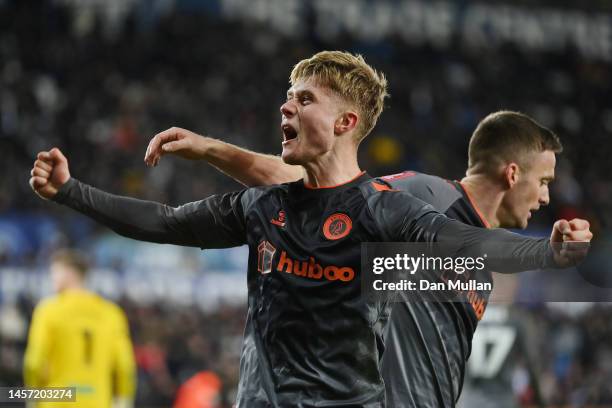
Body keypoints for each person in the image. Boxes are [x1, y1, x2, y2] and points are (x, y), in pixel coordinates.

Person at [29, 51, 590, 407]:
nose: (285, 109)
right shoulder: (417, 198)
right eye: (288, 97)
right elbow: (168, 222)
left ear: (346, 121)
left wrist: (544, 254)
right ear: (511, 172)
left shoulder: (418, 239)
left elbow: (455, 250)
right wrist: (72, 191)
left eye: (304, 99)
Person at [143, 110, 586, 407]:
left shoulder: (477, 259)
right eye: (543, 180)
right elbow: (298, 184)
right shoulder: (423, 196)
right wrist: (212, 150)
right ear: (512, 173)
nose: (546, 196)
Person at [23, 249, 136, 408]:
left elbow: (34, 362)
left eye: (54, 272)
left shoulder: (48, 311)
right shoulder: (111, 313)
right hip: (98, 402)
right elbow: (125, 364)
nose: (51, 278)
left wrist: (32, 398)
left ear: (68, 273)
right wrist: (124, 400)